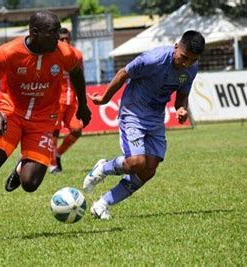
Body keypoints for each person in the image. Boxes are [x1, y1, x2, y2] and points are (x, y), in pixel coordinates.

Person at [0, 11, 92, 245]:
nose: (58, 38)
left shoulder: (63, 52)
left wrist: (83, 106)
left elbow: (77, 73)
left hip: (45, 119)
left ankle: (20, 169)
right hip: (10, 113)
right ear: (34, 33)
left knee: (30, 184)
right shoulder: (8, 52)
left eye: (59, 32)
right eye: (53, 33)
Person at [83, 30, 205, 219]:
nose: (185, 64)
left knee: (148, 170)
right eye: (183, 58)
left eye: (191, 60)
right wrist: (105, 98)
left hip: (156, 117)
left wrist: (181, 109)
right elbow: (124, 73)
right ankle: (103, 168)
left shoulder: (191, 68)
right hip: (133, 112)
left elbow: (182, 96)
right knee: (136, 162)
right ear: (176, 47)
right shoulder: (153, 60)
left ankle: (103, 204)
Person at [48, 28, 85, 173]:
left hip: (72, 101)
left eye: (67, 39)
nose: (64, 42)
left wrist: (82, 100)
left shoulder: (77, 54)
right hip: (56, 101)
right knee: (54, 132)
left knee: (77, 130)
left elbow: (80, 77)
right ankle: (52, 165)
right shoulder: (52, 54)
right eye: (61, 39)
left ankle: (57, 154)